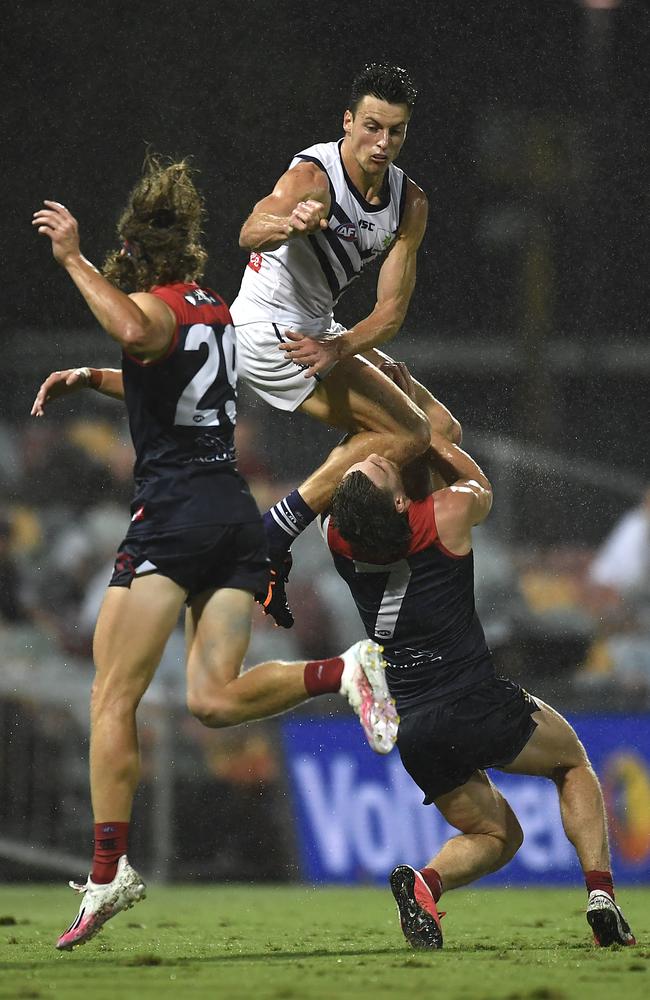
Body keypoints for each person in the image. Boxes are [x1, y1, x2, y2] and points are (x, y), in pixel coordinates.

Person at [31, 156, 398, 951]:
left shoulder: (150, 307)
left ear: (133, 249)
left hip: (174, 520)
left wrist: (72, 259)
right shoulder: (214, 310)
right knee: (212, 699)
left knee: (110, 698)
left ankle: (108, 872)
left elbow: (135, 330)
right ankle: (344, 670)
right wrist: (94, 378)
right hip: (234, 514)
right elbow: (167, 372)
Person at [322, 367, 635, 950]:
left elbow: (347, 474)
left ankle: (425, 883)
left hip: (412, 723)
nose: (382, 456)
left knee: (496, 833)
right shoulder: (446, 515)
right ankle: (600, 894)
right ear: (397, 500)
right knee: (571, 764)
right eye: (381, 463)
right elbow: (463, 462)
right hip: (472, 700)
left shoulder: (337, 540)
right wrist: (417, 426)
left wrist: (374, 425)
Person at [230, 63, 460, 628]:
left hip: (322, 332)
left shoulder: (410, 204)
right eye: (372, 127)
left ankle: (389, 542)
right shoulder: (314, 176)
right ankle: (275, 536)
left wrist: (341, 348)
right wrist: (290, 227)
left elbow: (389, 314)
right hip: (270, 330)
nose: (383, 143)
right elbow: (249, 229)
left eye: (396, 131)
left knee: (439, 426)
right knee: (407, 433)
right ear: (348, 121)